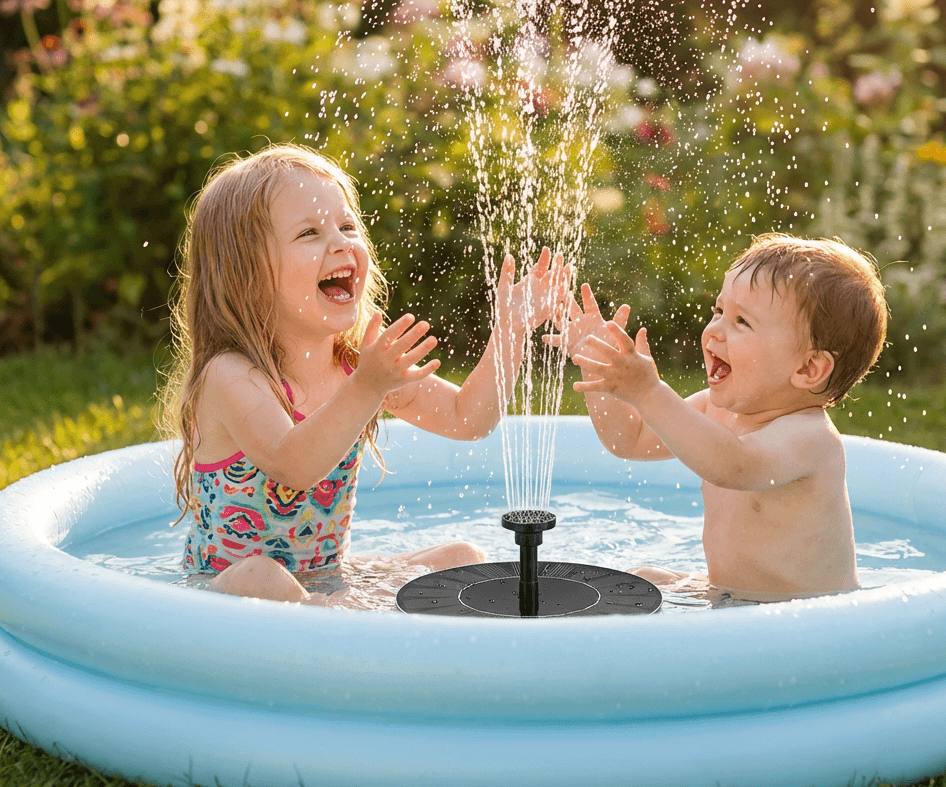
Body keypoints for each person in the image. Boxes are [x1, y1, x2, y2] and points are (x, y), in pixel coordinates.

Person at [166, 143, 569, 606]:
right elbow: (295, 465)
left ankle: (344, 615)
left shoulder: (355, 366)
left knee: (464, 556)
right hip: (221, 593)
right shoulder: (232, 375)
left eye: (346, 226)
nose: (340, 243)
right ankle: (342, 619)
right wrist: (368, 386)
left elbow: (467, 418)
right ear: (247, 273)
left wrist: (510, 330)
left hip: (325, 578)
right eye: (309, 233)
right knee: (262, 576)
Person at [550, 233, 887, 603]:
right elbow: (628, 440)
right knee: (642, 578)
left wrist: (650, 392)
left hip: (800, 618)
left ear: (808, 368)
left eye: (742, 321)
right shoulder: (717, 408)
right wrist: (595, 367)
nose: (715, 330)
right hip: (733, 598)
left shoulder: (810, 438)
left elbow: (735, 465)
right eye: (718, 311)